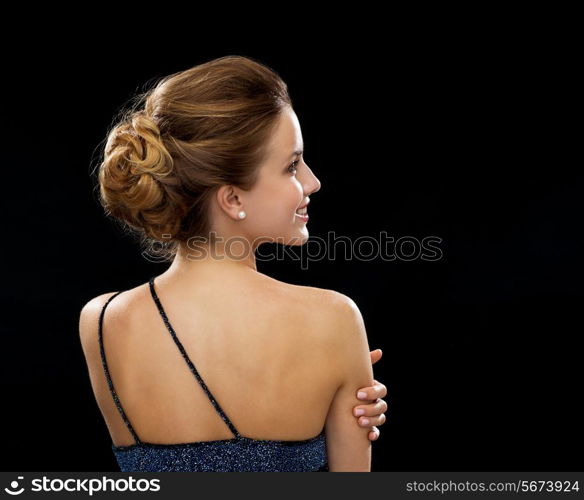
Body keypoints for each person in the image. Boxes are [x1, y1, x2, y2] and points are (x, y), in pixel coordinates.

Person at [79, 55, 388, 472]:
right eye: (292, 166)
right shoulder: (332, 319)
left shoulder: (101, 322)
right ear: (233, 199)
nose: (313, 182)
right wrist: (339, 376)